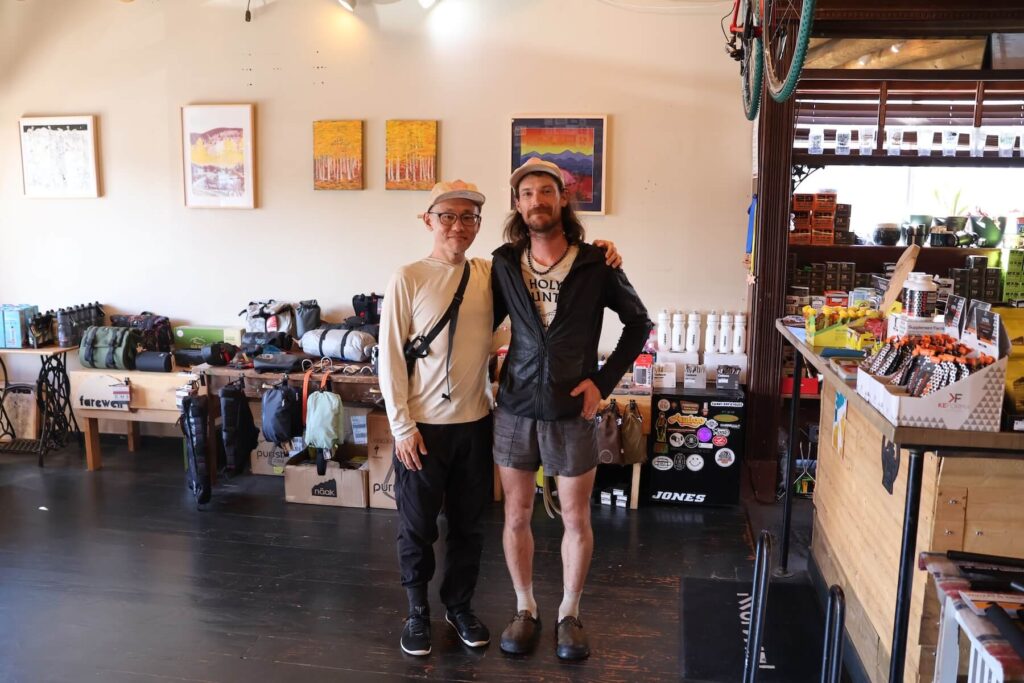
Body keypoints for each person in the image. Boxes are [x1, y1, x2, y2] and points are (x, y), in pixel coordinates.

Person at [378, 179, 623, 657]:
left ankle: (459, 606)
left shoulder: (491, 272)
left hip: (477, 421)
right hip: (423, 428)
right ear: (428, 220)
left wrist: (603, 250)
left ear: (479, 224)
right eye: (447, 216)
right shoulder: (407, 277)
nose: (458, 225)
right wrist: (401, 426)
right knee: (418, 525)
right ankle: (416, 612)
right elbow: (389, 357)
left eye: (468, 217)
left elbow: (539, 282)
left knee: (469, 525)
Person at [490, 158, 651, 661]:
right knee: (516, 513)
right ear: (517, 205)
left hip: (571, 411)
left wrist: (602, 383)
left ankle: (569, 613)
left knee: (576, 518)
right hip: (515, 406)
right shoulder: (502, 262)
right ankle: (525, 607)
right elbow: (479, 322)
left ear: (562, 198)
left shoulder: (597, 262)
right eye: (526, 194)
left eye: (545, 191)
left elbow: (639, 323)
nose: (536, 201)